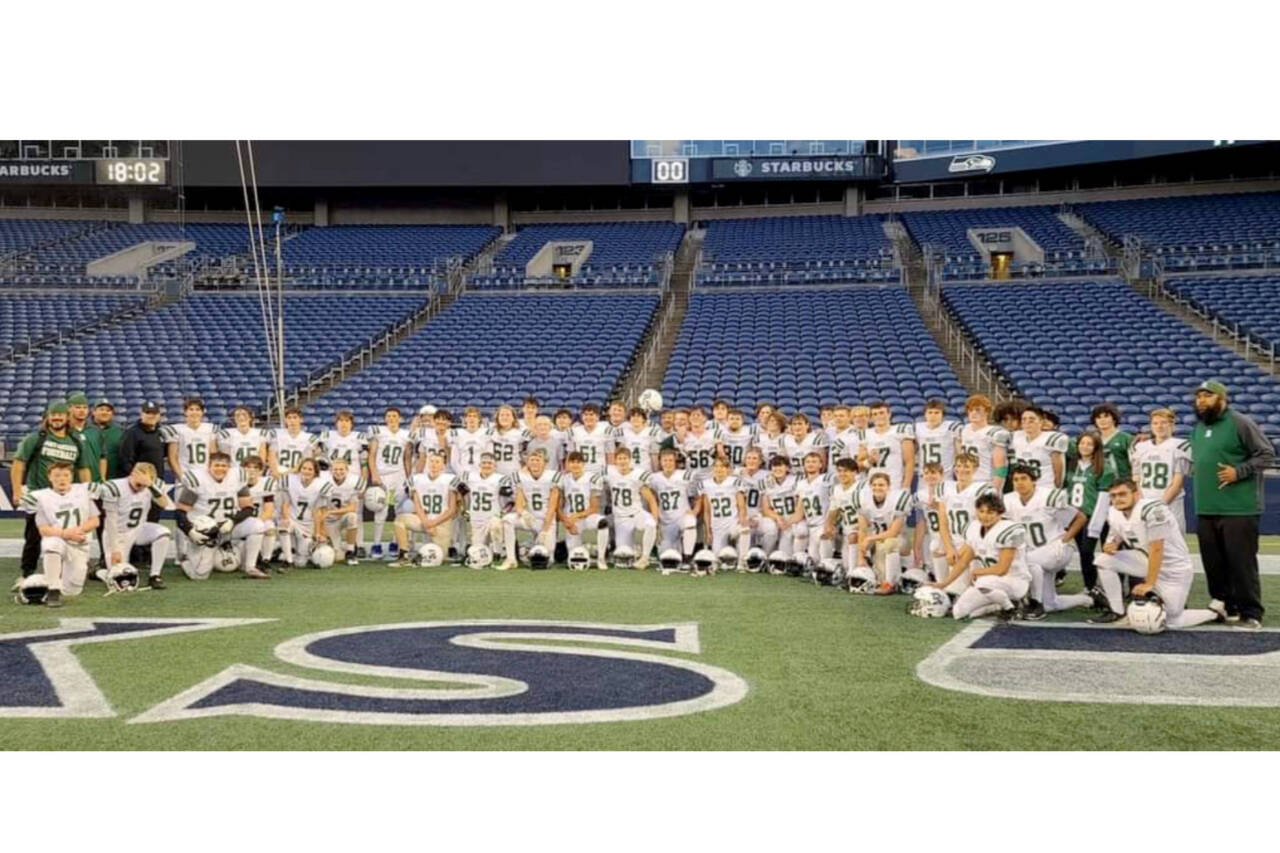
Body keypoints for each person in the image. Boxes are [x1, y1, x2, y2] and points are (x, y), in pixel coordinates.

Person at [1190, 379, 1275, 628]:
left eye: (1207, 396)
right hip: (1206, 507)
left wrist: (1239, 472)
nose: (1201, 401)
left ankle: (1252, 613)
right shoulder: (1198, 428)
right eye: (1198, 397)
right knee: (1213, 563)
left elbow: (1267, 453)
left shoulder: (1239, 422)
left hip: (1238, 508)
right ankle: (1227, 606)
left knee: (1241, 563)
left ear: (1221, 398)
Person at [1088, 480, 1218, 630]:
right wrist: (1112, 543)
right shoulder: (1114, 511)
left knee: (1172, 621)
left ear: (1136, 494)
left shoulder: (1152, 509)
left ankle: (1213, 613)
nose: (1117, 499)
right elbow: (1116, 531)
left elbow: (1157, 549)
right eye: (1113, 495)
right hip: (1146, 560)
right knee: (1104, 560)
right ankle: (1118, 612)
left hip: (1174, 569)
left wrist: (1149, 583)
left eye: (1122, 494)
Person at [12, 401, 94, 579]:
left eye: (60, 415)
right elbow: (19, 464)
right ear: (47, 417)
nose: (56, 418)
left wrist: (87, 493)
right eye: (53, 415)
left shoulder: (75, 441)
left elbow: (83, 468)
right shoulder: (36, 438)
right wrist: (17, 490)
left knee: (68, 533)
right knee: (33, 536)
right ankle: (27, 574)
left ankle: (70, 570)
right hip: (39, 495)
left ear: (67, 417)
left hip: (66, 495)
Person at [1003, 462, 1093, 619]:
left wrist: (1064, 540)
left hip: (1057, 548)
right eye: (1016, 479)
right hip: (1037, 553)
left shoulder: (1047, 496)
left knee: (1025, 561)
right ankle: (1089, 599)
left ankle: (1034, 603)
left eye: (1024, 478)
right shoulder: (1009, 500)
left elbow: (1081, 517)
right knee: (1051, 604)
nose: (1019, 483)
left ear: (1034, 481)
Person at [930, 493, 1030, 621]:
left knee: (983, 582)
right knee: (958, 612)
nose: (985, 516)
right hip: (988, 584)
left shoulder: (1008, 530)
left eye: (990, 512)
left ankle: (1010, 607)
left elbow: (1002, 569)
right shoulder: (974, 528)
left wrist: (977, 572)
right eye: (981, 511)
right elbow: (963, 562)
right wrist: (943, 583)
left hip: (1014, 581)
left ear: (1000, 513)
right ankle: (997, 605)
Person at [20, 461, 99, 608]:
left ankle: (38, 582)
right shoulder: (42, 497)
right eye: (56, 475)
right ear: (49, 477)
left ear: (71, 477)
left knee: (72, 591)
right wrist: (66, 533)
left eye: (65, 475)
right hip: (60, 539)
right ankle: (53, 590)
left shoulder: (83, 491)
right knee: (51, 544)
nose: (61, 479)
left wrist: (78, 531)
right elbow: (43, 529)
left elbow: (95, 520)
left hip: (80, 543)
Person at [96, 461, 174, 590]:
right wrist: (115, 549)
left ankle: (155, 576)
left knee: (163, 533)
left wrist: (151, 486)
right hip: (117, 532)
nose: (140, 487)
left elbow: (166, 504)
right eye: (139, 483)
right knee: (120, 580)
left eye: (144, 484)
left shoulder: (152, 486)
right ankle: (100, 572)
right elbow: (110, 521)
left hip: (138, 529)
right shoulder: (115, 487)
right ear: (132, 474)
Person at [1063, 428, 1116, 590]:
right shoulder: (1071, 465)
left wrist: (1096, 523)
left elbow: (1103, 498)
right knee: (1084, 554)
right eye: (1082, 443)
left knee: (1091, 552)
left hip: (1094, 515)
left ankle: (1110, 587)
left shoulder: (1103, 468)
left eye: (1089, 444)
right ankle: (1090, 587)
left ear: (1096, 447)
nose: (1085, 447)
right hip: (1076, 516)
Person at [392, 450, 459, 567]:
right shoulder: (417, 479)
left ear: (443, 465)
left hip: (441, 522)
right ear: (427, 463)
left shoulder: (450, 479)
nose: (434, 465)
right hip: (423, 520)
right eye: (431, 461)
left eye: (437, 462)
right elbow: (417, 504)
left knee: (437, 558)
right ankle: (404, 555)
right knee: (400, 520)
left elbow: (451, 510)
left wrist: (433, 523)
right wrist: (426, 522)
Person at [1130, 408, 1193, 532]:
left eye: (1164, 422)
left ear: (1172, 425)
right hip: (1145, 502)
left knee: (1174, 545)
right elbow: (1137, 479)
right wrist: (1142, 502)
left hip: (1171, 504)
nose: (1159, 426)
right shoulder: (1140, 447)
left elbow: (1177, 483)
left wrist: (1161, 505)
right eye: (1155, 423)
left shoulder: (1179, 446)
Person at [850, 471, 911, 594]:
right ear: (870, 486)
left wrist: (870, 539)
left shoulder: (897, 500)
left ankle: (890, 583)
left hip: (899, 541)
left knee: (887, 543)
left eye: (881, 485)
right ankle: (854, 572)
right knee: (854, 536)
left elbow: (893, 532)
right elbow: (862, 529)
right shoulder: (863, 500)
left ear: (888, 487)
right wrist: (861, 557)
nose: (878, 487)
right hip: (877, 538)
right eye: (875, 485)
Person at [500, 448, 561, 569]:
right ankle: (511, 559)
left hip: (546, 521)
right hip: (530, 519)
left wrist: (544, 530)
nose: (534, 462)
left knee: (548, 560)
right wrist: (523, 513)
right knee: (507, 519)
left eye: (538, 460)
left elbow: (552, 507)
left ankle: (529, 546)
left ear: (545, 462)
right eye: (532, 460)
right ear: (527, 462)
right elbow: (518, 503)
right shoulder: (521, 477)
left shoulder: (552, 477)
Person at [366, 406, 413, 559]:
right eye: (389, 416)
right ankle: (377, 543)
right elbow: (372, 455)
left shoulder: (406, 435)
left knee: (399, 509)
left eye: (394, 416)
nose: (392, 419)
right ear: (385, 419)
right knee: (381, 509)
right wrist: (375, 474)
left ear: (400, 419)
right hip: (383, 475)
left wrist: (408, 477)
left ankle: (396, 541)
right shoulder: (378, 433)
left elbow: (406, 458)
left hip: (399, 475)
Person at [603, 446, 659, 570]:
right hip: (621, 519)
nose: (622, 461)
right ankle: (636, 549)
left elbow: (651, 499)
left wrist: (655, 519)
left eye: (625, 458)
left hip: (637, 514)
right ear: (615, 460)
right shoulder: (609, 473)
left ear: (630, 460)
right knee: (624, 553)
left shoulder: (637, 475)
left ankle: (645, 558)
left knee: (650, 524)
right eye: (619, 458)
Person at [648, 446, 700, 567]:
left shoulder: (685, 476)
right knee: (667, 557)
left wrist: (695, 511)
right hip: (665, 521)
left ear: (675, 461)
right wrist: (656, 522)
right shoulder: (654, 479)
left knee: (690, 521)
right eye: (665, 460)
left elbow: (698, 497)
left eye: (671, 460)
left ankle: (687, 558)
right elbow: (652, 499)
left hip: (682, 517)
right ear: (660, 462)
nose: (668, 463)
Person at [558, 451, 609, 570]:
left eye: (578, 462)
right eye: (572, 462)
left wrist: (576, 516)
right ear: (568, 464)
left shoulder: (592, 478)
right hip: (571, 520)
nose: (575, 465)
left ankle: (601, 559)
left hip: (586, 517)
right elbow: (559, 507)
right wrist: (567, 522)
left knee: (602, 522)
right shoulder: (563, 479)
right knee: (574, 557)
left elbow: (594, 508)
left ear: (584, 464)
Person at [959, 394, 1011, 491]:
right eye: (970, 410)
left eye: (978, 410)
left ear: (987, 412)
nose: (973, 413)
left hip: (985, 481)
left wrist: (996, 488)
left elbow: (1001, 467)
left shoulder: (995, 433)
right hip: (966, 481)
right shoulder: (965, 430)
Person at [1091, 402, 1133, 482]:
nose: (1102, 420)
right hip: (1099, 484)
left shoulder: (1126, 439)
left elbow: (1135, 464)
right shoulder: (1092, 439)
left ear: (1114, 418)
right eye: (1098, 417)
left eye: (1106, 416)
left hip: (1122, 484)